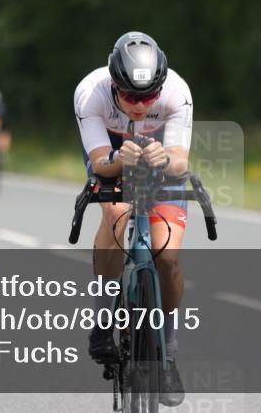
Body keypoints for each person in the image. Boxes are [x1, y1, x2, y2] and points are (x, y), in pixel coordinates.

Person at [73, 31, 193, 407]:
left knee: (168, 256)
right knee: (116, 213)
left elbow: (180, 161)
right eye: (130, 97)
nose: (140, 105)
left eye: (148, 96)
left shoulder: (176, 90)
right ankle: (104, 318)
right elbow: (99, 163)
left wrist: (164, 159)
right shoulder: (90, 93)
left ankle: (168, 355)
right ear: (114, 84)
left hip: (160, 161)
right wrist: (119, 160)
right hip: (111, 156)